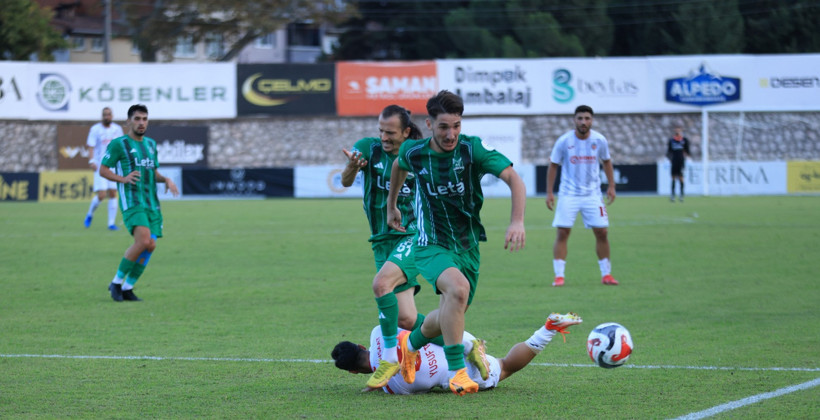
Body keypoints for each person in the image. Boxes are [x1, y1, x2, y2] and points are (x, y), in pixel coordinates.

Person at [386, 90, 527, 396]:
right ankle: (457, 372)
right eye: (443, 127)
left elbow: (514, 179)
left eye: (456, 126)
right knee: (458, 290)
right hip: (430, 242)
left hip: (467, 245)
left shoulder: (472, 150)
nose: (451, 134)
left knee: (451, 311)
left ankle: (409, 346)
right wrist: (392, 205)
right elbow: (399, 165)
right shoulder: (416, 152)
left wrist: (517, 220)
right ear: (430, 124)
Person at [340, 104, 446, 389]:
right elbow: (345, 181)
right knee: (408, 318)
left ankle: (388, 359)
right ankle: (465, 342)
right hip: (381, 243)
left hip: (411, 236)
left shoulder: (417, 153)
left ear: (406, 132)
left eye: (390, 132)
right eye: (381, 131)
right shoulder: (367, 149)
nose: (383, 137)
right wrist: (351, 168)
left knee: (381, 285)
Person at [331, 312, 582, 394]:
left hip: (454, 375)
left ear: (354, 371)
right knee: (423, 324)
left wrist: (373, 387)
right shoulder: (378, 332)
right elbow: (411, 318)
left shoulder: (393, 388)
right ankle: (470, 346)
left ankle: (548, 329)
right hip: (452, 337)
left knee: (505, 367)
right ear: (361, 346)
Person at [99, 104, 178, 302]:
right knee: (142, 241)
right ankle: (116, 283)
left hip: (151, 202)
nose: (141, 123)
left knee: (150, 245)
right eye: (137, 119)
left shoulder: (150, 144)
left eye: (144, 119)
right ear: (128, 121)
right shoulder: (119, 144)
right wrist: (123, 179)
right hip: (132, 201)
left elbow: (153, 172)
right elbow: (103, 170)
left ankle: (128, 286)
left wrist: (166, 179)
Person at [545, 105, 617, 287]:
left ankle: (606, 274)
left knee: (602, 232)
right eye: (580, 118)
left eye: (587, 118)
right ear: (574, 120)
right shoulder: (564, 141)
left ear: (591, 120)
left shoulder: (600, 140)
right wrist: (549, 192)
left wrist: (611, 186)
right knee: (562, 232)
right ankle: (559, 276)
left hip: (593, 194)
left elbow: (607, 162)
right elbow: (553, 165)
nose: (583, 122)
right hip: (568, 194)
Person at [84, 107, 124, 230]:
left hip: (114, 166)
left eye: (109, 114)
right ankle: (90, 214)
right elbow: (91, 146)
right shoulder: (95, 129)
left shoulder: (117, 129)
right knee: (101, 194)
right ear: (102, 116)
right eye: (105, 115)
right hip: (100, 165)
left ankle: (111, 223)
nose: (107, 117)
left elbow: (121, 146)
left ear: (112, 116)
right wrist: (91, 161)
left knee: (113, 193)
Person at [666, 125, 691, 202]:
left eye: (678, 129)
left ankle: (681, 195)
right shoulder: (671, 140)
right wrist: (670, 159)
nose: (677, 130)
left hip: (681, 161)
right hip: (674, 161)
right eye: (676, 129)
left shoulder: (684, 140)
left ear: (681, 130)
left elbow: (687, 151)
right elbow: (668, 152)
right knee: (673, 177)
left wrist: (688, 158)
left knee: (681, 178)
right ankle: (673, 195)